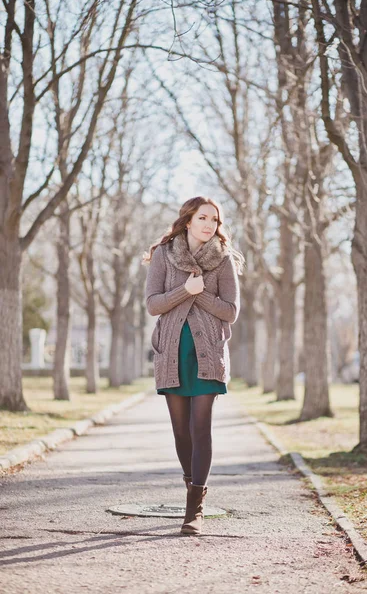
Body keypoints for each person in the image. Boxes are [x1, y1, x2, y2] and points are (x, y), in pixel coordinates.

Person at [143, 196, 243, 536]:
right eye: (203, 218)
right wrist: (185, 290)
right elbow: (153, 304)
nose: (209, 225)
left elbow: (230, 311)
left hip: (207, 355)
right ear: (188, 220)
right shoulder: (164, 255)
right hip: (172, 353)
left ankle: (194, 510)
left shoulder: (223, 259)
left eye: (214, 220)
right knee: (181, 431)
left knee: (201, 428)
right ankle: (191, 484)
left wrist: (198, 294)